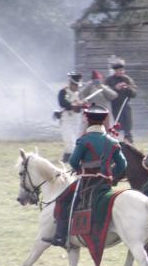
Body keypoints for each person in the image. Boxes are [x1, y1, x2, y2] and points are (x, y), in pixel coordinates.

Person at [42, 105, 126, 247]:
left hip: (87, 183)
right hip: (105, 184)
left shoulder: (84, 140)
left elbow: (73, 161)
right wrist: (111, 176)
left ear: (88, 121)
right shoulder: (112, 141)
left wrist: (79, 170)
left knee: (62, 200)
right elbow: (123, 164)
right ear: (104, 120)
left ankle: (61, 237)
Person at [105, 57, 138, 143]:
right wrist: (115, 88)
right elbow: (105, 93)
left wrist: (127, 88)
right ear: (115, 70)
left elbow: (134, 93)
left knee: (127, 127)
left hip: (125, 106)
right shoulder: (109, 80)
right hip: (114, 107)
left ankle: (129, 144)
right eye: (118, 70)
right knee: (117, 127)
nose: (121, 72)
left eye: (122, 70)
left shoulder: (127, 79)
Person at [57, 72, 84, 163]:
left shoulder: (79, 94)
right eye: (75, 84)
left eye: (77, 85)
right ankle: (74, 161)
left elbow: (80, 108)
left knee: (74, 141)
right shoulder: (63, 92)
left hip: (76, 120)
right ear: (71, 83)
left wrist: (81, 105)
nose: (77, 87)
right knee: (70, 141)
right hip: (66, 119)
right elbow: (62, 102)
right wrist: (72, 105)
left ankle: (65, 159)